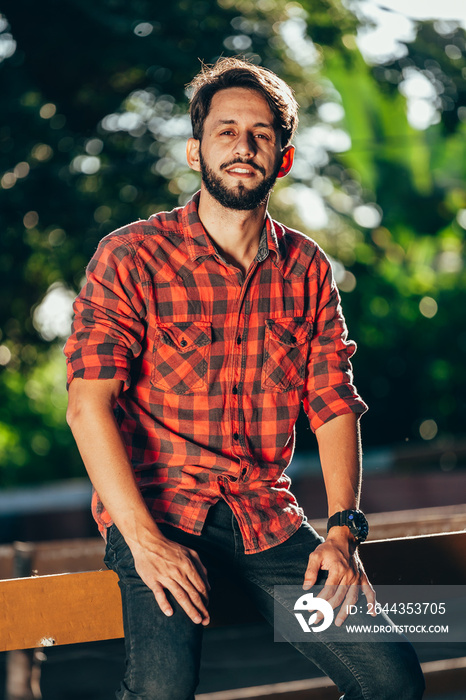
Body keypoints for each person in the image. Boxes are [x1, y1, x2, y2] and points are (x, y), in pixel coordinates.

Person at [64, 57, 425, 700]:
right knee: (162, 690)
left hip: (267, 523)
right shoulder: (131, 256)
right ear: (194, 149)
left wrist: (342, 529)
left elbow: (334, 403)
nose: (243, 146)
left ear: (282, 159)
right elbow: (88, 406)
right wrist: (142, 542)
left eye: (261, 133)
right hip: (161, 511)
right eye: (225, 130)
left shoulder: (307, 267)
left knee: (391, 680)